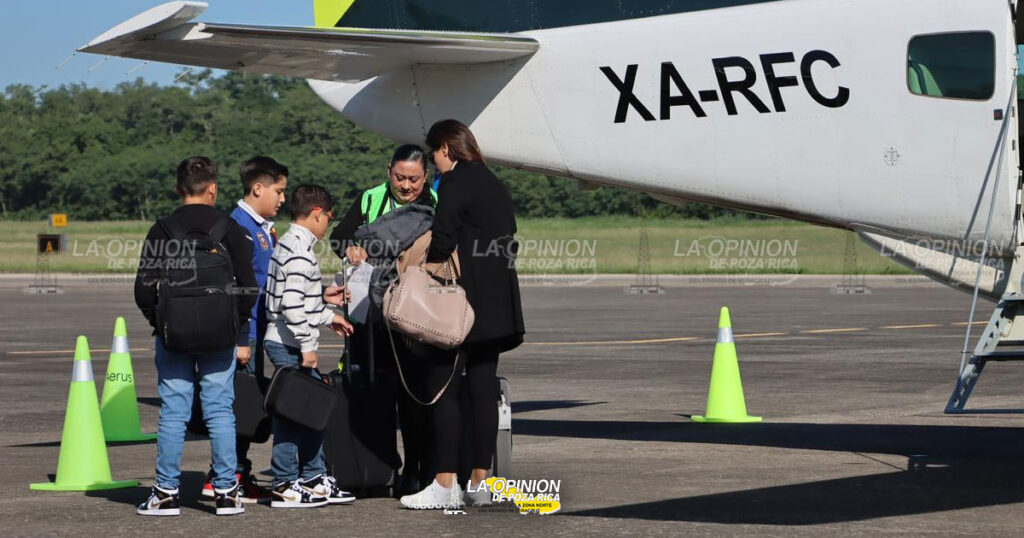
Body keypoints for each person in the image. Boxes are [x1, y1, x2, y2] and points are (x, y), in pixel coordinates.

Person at [399, 120, 525, 510]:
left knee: (444, 389)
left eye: (434, 154)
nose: (435, 163)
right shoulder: (493, 181)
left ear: (446, 148)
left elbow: (444, 238)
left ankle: (444, 482)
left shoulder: (455, 181)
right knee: (483, 391)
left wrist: (421, 269)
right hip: (498, 304)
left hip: (462, 305)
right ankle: (480, 483)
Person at [134, 156, 258, 516]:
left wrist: (163, 321)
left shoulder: (162, 230)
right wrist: (234, 324)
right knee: (220, 411)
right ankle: (226, 492)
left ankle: (165, 492)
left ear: (179, 189)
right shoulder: (230, 229)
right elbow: (248, 288)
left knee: (174, 412)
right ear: (213, 188)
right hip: (221, 337)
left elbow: (143, 291)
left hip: (174, 336)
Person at [329, 145, 438, 495]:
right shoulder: (370, 199)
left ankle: (416, 468)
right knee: (373, 390)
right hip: (373, 312)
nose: (406, 186)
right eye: (400, 178)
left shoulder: (436, 203)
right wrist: (351, 247)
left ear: (426, 177)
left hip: (415, 313)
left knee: (413, 396)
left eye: (414, 179)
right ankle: (375, 467)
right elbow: (339, 236)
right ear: (388, 170)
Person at [200, 156, 287, 502]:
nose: (282, 199)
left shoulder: (261, 227)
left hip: (255, 331)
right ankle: (225, 475)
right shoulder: (239, 227)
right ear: (258, 188)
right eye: (279, 191)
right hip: (244, 333)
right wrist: (241, 337)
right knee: (241, 408)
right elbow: (236, 286)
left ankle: (236, 472)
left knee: (247, 407)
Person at [264, 184, 356, 508]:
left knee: (311, 410)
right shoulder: (300, 252)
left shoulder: (290, 244)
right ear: (317, 213)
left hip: (287, 338)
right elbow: (291, 307)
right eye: (329, 217)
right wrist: (306, 346)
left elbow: (300, 300)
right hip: (289, 343)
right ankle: (284, 483)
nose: (328, 224)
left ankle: (313, 478)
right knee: (293, 415)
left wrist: (329, 317)